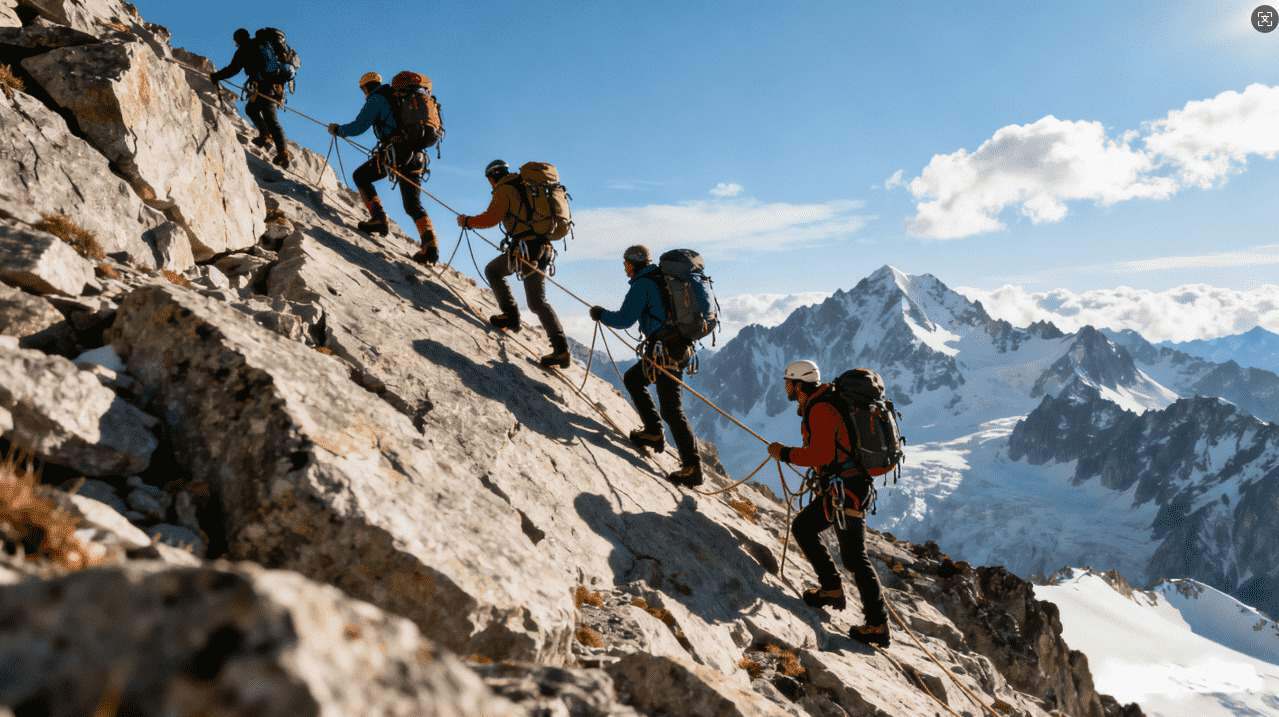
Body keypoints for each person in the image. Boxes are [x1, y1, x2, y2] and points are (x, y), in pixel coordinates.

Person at [768, 359, 890, 648]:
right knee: (805, 527)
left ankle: (877, 624)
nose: (786, 388)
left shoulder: (821, 408)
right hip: (844, 487)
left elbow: (820, 454)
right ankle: (831, 589)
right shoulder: (824, 402)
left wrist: (784, 453)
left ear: (798, 384)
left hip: (846, 489)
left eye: (789, 383)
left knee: (855, 557)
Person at [589, 245, 702, 487]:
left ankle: (692, 466)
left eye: (626, 264)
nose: (625, 269)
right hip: (676, 348)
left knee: (671, 409)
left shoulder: (643, 284)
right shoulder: (660, 278)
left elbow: (624, 319)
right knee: (634, 379)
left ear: (633, 264)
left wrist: (600, 314)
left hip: (665, 351)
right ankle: (652, 431)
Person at [455, 160, 569, 369]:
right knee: (498, 273)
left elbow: (491, 218)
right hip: (539, 248)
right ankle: (513, 318)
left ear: (492, 177)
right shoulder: (524, 184)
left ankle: (557, 348)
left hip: (526, 250)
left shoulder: (504, 190)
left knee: (534, 300)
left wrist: (468, 221)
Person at [327, 72, 438, 264]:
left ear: (365, 88)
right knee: (413, 205)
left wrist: (339, 130)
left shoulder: (376, 99)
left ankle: (378, 218)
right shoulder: (398, 96)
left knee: (361, 176)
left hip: (396, 153)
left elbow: (359, 126)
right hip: (416, 156)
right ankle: (430, 246)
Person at [211, 28, 291, 168]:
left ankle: (281, 152)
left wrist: (216, 76)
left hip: (264, 88)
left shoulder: (243, 50)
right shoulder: (261, 43)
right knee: (253, 110)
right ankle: (268, 137)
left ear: (238, 40)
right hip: (273, 86)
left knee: (268, 118)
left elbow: (233, 69)